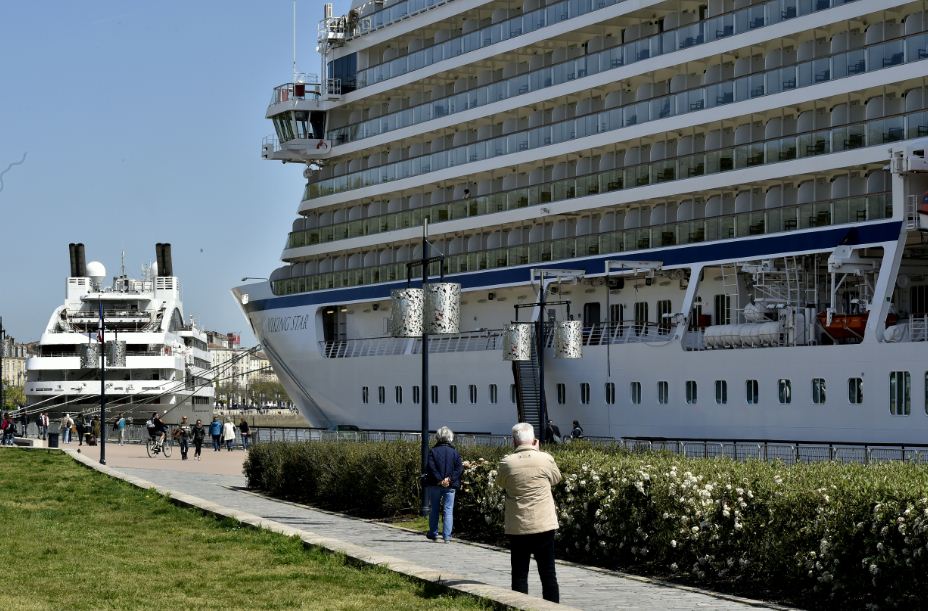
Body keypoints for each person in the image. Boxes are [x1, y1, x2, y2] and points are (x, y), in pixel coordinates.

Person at [495, 422, 562, 603]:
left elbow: (501, 483)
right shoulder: (545, 459)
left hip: (518, 525)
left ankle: (520, 606)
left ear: (513, 442)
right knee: (548, 574)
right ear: (534, 440)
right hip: (544, 524)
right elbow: (556, 479)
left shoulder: (506, 463)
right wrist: (538, 452)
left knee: (519, 573)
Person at [424, 426, 463, 543]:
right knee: (448, 510)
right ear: (450, 438)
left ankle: (433, 533)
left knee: (434, 509)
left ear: (438, 437)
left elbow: (431, 467)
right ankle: (447, 536)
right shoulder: (455, 452)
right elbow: (459, 468)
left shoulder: (433, 451)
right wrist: (449, 480)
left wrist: (440, 480)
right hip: (450, 486)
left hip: (435, 484)